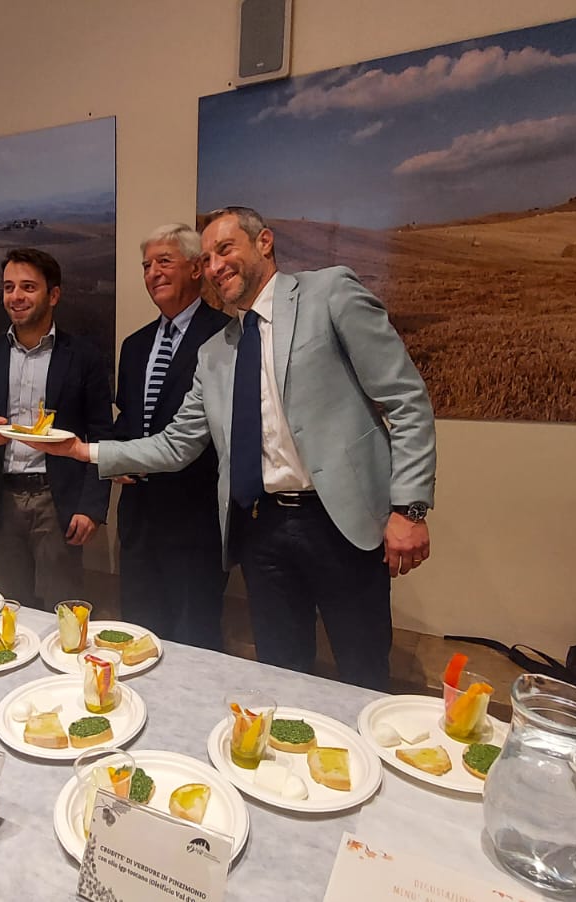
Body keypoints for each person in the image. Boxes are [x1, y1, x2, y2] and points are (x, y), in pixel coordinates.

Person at [40, 207, 437, 689]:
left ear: (264, 242)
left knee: (361, 674)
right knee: (280, 672)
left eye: (225, 249)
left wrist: (409, 508)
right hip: (260, 530)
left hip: (340, 523)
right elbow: (176, 445)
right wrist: (83, 451)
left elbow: (405, 399)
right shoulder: (216, 351)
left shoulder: (328, 293)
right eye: (207, 258)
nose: (215, 266)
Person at [0, 248, 112, 610]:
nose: (16, 296)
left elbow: (102, 433)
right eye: (9, 287)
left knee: (63, 607)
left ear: (53, 295)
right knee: (10, 607)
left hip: (57, 499)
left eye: (28, 287)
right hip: (0, 498)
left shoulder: (83, 357)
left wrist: (92, 506)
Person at [111, 224, 231, 650]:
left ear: (197, 269)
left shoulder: (227, 336)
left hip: (195, 519)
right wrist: (118, 455)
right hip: (139, 518)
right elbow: (129, 418)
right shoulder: (135, 345)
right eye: (147, 266)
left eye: (164, 261)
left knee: (193, 638)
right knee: (138, 638)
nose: (153, 273)